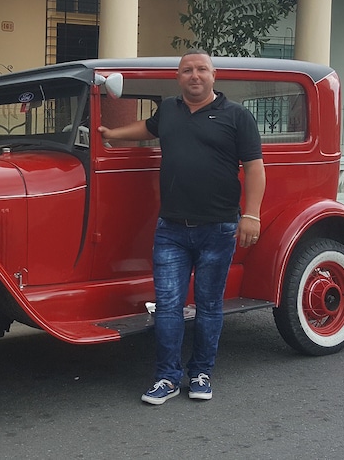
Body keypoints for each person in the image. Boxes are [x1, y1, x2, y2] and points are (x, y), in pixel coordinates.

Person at [98, 50, 265, 404]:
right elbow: (148, 128)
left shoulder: (237, 116)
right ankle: (167, 378)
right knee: (168, 305)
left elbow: (254, 167)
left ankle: (202, 372)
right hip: (171, 229)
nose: (194, 75)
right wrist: (112, 133)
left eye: (201, 69)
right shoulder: (170, 109)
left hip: (218, 228)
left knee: (208, 305)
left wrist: (252, 215)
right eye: (187, 70)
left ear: (213, 75)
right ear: (178, 77)